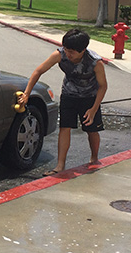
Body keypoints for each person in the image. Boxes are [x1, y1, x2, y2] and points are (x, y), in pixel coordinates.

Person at [18, 29, 107, 176]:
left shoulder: (95, 62)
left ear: (83, 50)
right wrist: (27, 93)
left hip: (90, 97)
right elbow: (38, 71)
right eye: (66, 49)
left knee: (91, 129)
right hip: (69, 95)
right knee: (65, 128)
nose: (68, 54)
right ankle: (60, 165)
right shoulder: (59, 55)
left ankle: (94, 158)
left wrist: (93, 108)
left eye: (72, 51)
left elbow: (103, 86)